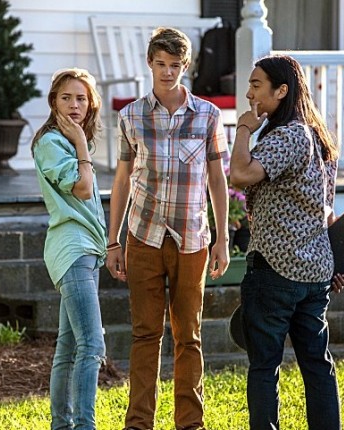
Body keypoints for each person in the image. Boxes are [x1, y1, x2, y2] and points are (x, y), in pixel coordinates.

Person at [105, 27, 230, 430]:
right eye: (160, 64)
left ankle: (190, 423)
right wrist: (113, 241)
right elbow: (122, 180)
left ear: (185, 66)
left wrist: (222, 238)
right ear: (150, 63)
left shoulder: (208, 115)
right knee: (145, 334)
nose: (167, 72)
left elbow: (217, 180)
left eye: (175, 65)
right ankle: (138, 423)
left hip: (192, 239)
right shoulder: (130, 116)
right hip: (143, 236)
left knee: (188, 335)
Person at [229, 54, 344, 430]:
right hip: (315, 273)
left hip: (275, 271)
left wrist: (243, 129)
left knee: (264, 366)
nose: (249, 94)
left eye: (256, 85)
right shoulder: (319, 138)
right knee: (317, 365)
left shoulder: (289, 136)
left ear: (281, 90)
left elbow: (240, 174)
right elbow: (326, 209)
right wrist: (335, 262)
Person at [31, 68, 107, 430]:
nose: (74, 105)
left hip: (87, 249)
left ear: (91, 104)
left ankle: (62, 425)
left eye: (81, 98)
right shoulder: (52, 142)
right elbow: (83, 188)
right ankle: (84, 426)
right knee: (92, 345)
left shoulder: (72, 142)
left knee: (68, 347)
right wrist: (80, 145)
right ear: (53, 102)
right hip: (72, 249)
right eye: (66, 98)